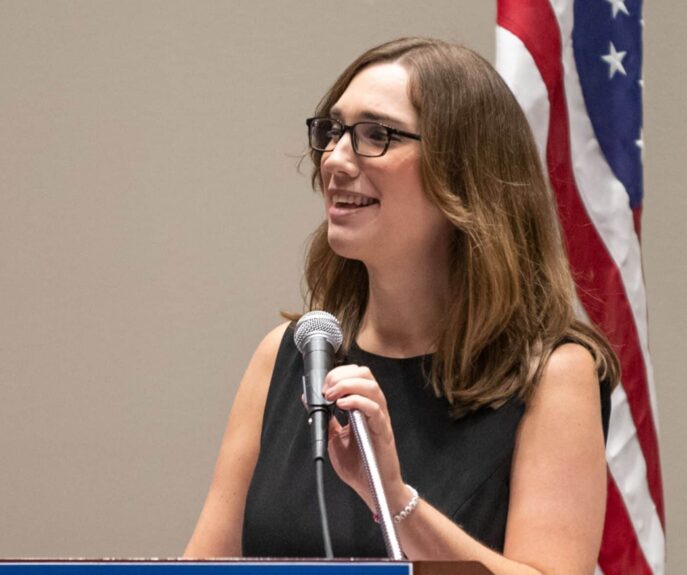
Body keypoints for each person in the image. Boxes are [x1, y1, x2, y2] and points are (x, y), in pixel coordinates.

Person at [184, 37, 620, 574]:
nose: (335, 160)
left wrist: (392, 498)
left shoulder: (551, 375)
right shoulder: (288, 357)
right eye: (333, 131)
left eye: (375, 135)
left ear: (464, 174)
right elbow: (202, 567)